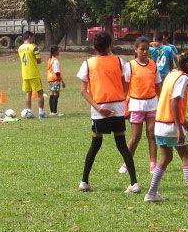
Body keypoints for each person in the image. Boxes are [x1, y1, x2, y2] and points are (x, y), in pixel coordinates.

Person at [144, 49, 188, 205]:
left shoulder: (171, 74)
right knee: (187, 156)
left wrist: (184, 122)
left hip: (160, 123)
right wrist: (179, 127)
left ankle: (151, 193)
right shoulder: (183, 78)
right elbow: (175, 102)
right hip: (171, 125)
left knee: (165, 158)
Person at [77, 31, 140, 194]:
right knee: (122, 145)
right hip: (117, 108)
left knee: (95, 144)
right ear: (110, 45)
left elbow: (83, 91)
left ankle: (84, 181)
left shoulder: (88, 63)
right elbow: (127, 82)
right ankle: (134, 183)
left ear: (95, 46)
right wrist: (121, 97)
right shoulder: (120, 61)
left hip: (99, 109)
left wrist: (98, 108)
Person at [119, 36, 161, 175]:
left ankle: (153, 164)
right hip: (136, 104)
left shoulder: (153, 64)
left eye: (146, 49)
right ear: (135, 50)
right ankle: (126, 162)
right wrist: (122, 104)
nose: (144, 52)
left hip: (152, 104)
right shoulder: (130, 65)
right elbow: (125, 87)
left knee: (152, 134)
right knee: (135, 137)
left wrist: (161, 101)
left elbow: (157, 84)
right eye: (141, 49)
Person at [17, 31, 46, 119]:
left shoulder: (20, 48)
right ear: (29, 37)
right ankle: (41, 113)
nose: (33, 39)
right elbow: (39, 60)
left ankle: (28, 112)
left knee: (28, 93)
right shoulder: (33, 47)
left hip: (25, 73)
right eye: (33, 38)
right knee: (40, 92)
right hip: (33, 73)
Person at [46, 45, 66, 116]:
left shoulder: (50, 59)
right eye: (58, 50)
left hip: (50, 79)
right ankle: (54, 112)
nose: (59, 51)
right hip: (55, 80)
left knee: (52, 94)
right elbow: (57, 72)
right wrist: (62, 81)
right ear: (55, 52)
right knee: (56, 95)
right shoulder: (55, 61)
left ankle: (52, 111)